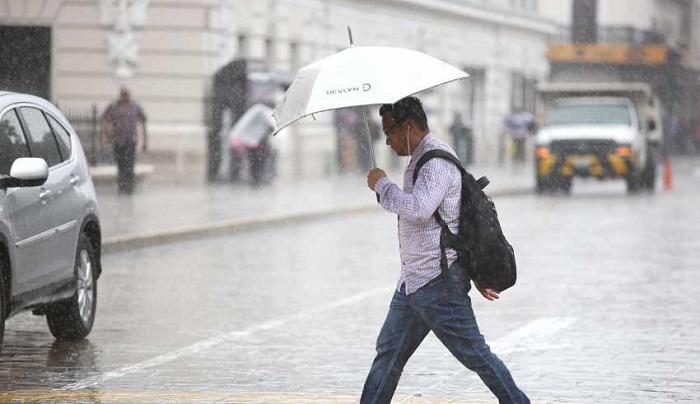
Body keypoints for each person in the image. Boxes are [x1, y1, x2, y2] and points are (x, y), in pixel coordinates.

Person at [363, 96, 529, 403]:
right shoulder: (418, 160)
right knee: (388, 355)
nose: (387, 141)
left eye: (391, 132)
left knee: (476, 355)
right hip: (413, 283)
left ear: (409, 127)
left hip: (439, 286)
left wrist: (382, 185)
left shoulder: (436, 162)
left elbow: (420, 208)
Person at [100, 87, 147, 194]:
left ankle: (129, 187)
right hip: (118, 141)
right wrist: (104, 136)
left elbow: (143, 121)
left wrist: (144, 141)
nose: (125, 97)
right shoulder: (114, 107)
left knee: (129, 165)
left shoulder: (135, 107)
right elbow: (105, 120)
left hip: (130, 141)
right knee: (121, 164)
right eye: (123, 94)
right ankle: (122, 186)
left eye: (127, 95)